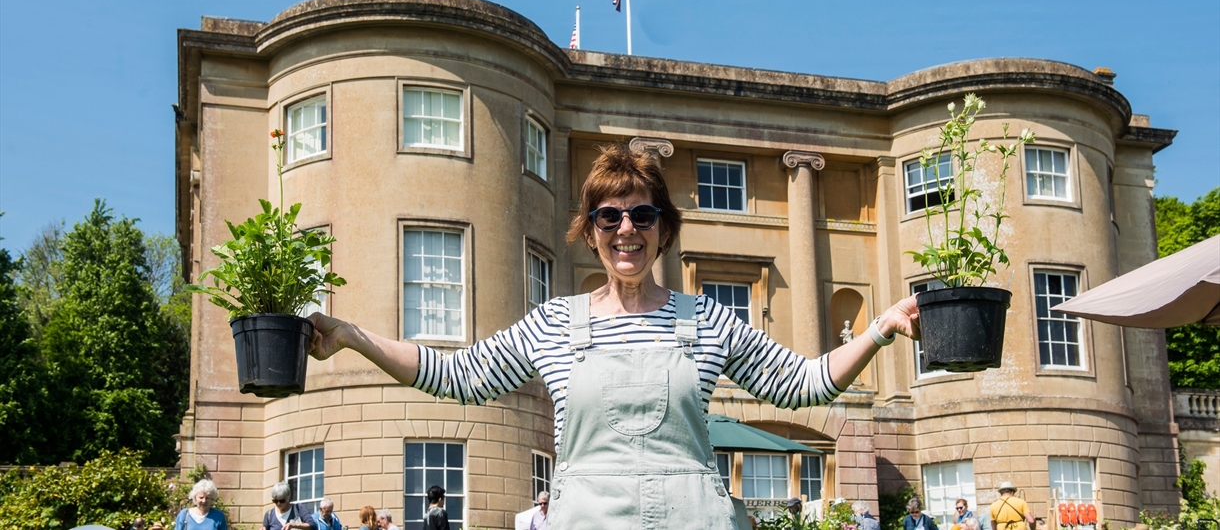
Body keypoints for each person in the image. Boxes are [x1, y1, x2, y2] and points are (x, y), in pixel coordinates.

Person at [308, 143, 922, 530]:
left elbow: (802, 385)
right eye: (610, 216)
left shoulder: (704, 318)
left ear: (662, 230)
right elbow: (457, 376)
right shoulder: (554, 323)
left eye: (642, 214)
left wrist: (879, 330)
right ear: (591, 230)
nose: (626, 228)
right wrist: (355, 336)